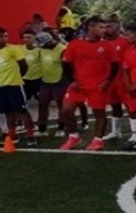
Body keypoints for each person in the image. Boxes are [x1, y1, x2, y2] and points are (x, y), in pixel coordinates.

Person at [59, 17, 120, 151]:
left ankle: (98, 140)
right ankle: (73, 136)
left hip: (98, 85)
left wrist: (107, 81)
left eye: (105, 27)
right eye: (100, 27)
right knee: (67, 110)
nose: (104, 30)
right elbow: (66, 64)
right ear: (90, 28)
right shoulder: (75, 44)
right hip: (78, 84)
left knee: (99, 112)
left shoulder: (107, 45)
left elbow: (115, 66)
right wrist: (72, 81)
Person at [0, 27, 36, 145]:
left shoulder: (13, 49)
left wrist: (17, 77)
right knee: (8, 111)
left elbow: (24, 65)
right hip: (1, 86)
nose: (4, 38)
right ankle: (12, 134)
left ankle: (30, 135)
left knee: (22, 110)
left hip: (14, 85)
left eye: (6, 36)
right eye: (0, 36)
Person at [36, 31, 68, 137]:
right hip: (46, 80)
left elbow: (67, 67)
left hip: (59, 80)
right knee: (42, 105)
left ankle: (61, 128)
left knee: (60, 105)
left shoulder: (62, 49)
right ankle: (42, 129)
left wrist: (66, 81)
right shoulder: (42, 50)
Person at [103, 18, 129, 141]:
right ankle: (116, 131)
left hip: (123, 79)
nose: (107, 29)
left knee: (130, 105)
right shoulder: (102, 43)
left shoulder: (125, 42)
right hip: (109, 80)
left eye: (110, 26)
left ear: (118, 27)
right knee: (114, 105)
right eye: (105, 27)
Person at [20, 30, 43, 106]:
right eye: (24, 37)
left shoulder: (40, 50)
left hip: (38, 78)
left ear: (34, 38)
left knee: (41, 100)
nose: (26, 39)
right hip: (25, 78)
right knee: (25, 99)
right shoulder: (20, 49)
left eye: (29, 37)